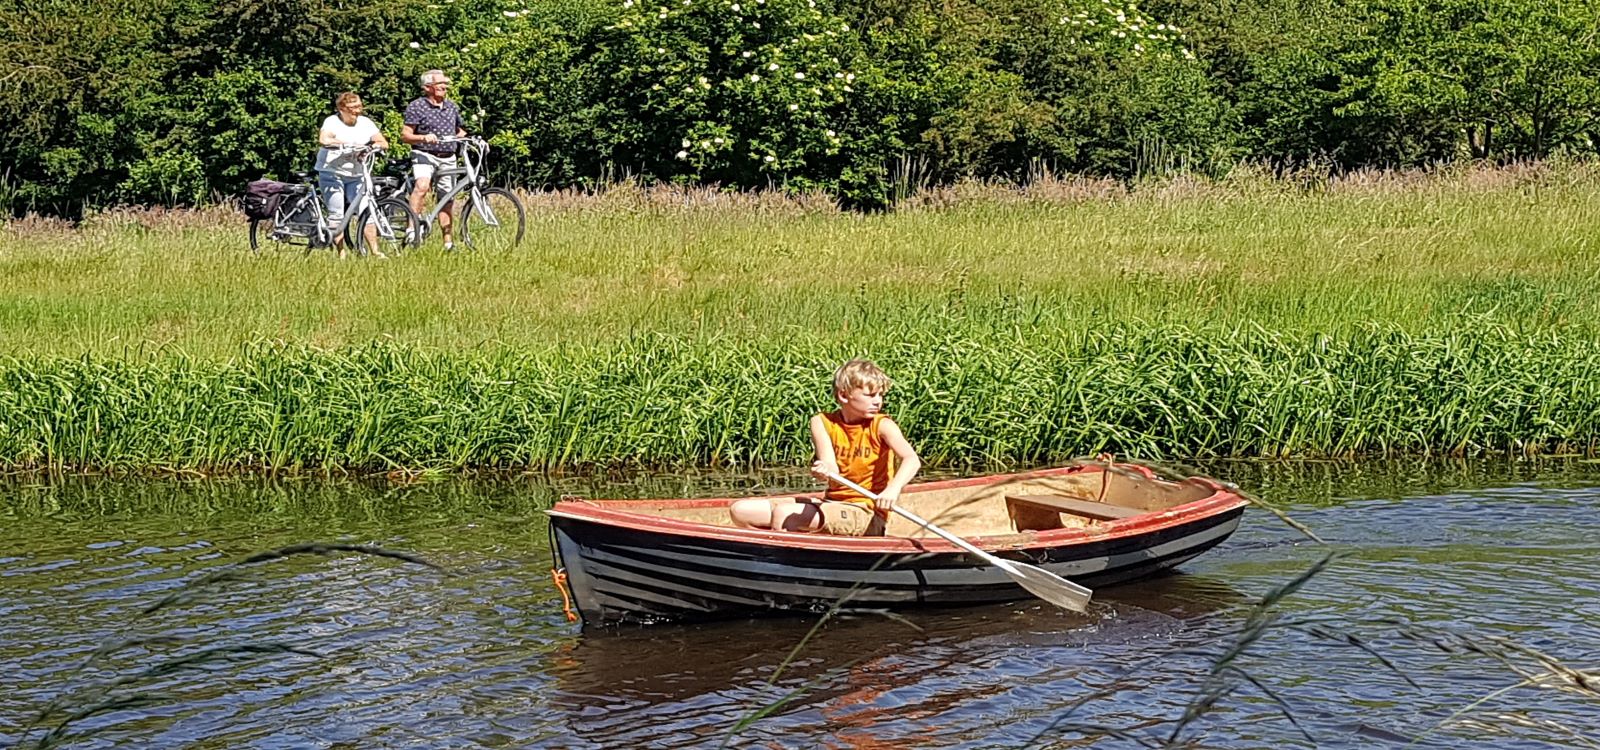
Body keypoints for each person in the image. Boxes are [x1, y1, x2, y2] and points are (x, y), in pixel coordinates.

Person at [730, 359, 922, 536]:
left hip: (866, 511)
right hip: (832, 504)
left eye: (881, 394)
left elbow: (911, 460)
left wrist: (892, 490)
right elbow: (831, 466)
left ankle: (781, 561)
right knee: (741, 511)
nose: (878, 401)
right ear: (844, 395)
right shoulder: (822, 422)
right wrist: (824, 470)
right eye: (870, 395)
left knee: (785, 513)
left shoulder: (882, 425)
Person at [316, 91, 390, 258]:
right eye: (353, 107)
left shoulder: (365, 123)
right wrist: (343, 144)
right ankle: (341, 253)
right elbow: (324, 139)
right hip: (332, 172)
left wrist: (372, 147)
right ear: (342, 108)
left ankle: (376, 251)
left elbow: (383, 142)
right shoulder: (332, 122)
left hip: (357, 174)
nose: (358, 110)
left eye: (359, 106)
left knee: (366, 209)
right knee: (337, 213)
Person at [402, 69, 468, 251]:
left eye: (445, 84)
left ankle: (448, 242)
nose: (444, 87)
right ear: (428, 87)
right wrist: (423, 138)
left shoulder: (451, 107)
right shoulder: (417, 106)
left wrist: (467, 138)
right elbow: (406, 135)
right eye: (440, 84)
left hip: (448, 157)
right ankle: (411, 228)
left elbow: (459, 131)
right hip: (425, 154)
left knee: (447, 198)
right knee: (422, 187)